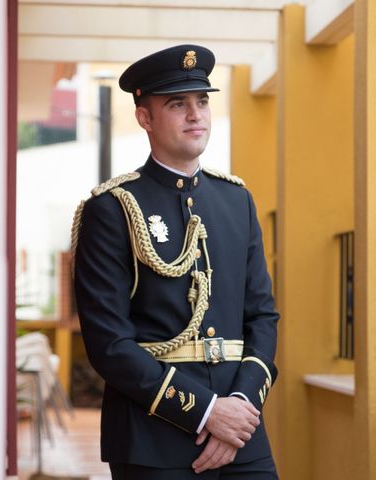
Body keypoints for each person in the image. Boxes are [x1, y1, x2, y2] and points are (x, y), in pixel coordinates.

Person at [71, 44, 279, 479]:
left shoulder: (236, 200)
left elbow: (261, 316)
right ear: (145, 118)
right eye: (177, 104)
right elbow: (109, 343)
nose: (195, 114)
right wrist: (205, 412)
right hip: (153, 438)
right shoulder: (112, 208)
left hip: (242, 434)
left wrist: (238, 408)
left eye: (202, 101)